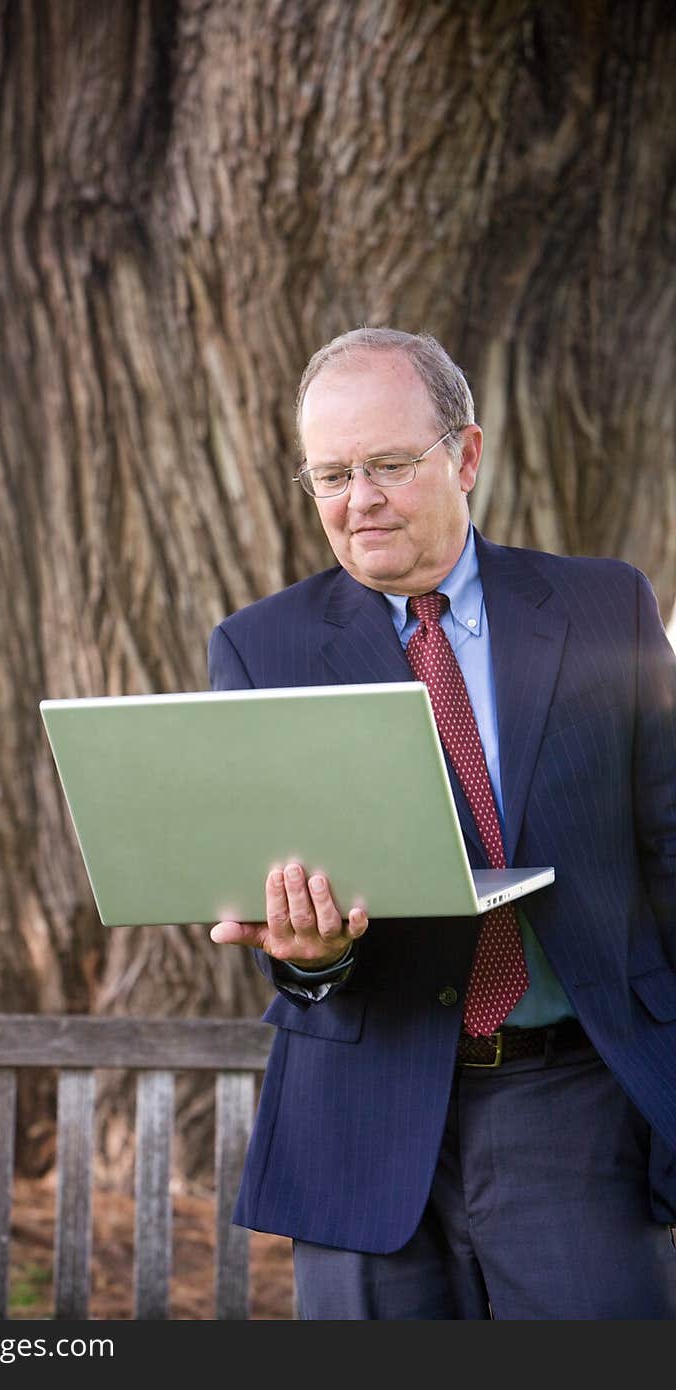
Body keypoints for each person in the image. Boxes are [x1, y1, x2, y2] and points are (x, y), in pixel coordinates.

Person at [206, 326, 676, 1320]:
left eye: (386, 464)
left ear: (464, 455)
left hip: (578, 1109)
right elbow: (275, 910)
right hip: (357, 1116)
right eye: (330, 473)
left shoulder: (604, 609)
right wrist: (306, 951)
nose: (358, 499)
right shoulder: (260, 648)